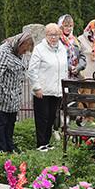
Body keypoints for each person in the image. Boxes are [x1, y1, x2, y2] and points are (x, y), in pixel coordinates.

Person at [0, 30, 35, 153]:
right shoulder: (3, 52)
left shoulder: (18, 53)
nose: (25, 52)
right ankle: (0, 151)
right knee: (0, 125)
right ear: (20, 44)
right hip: (1, 96)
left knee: (10, 124)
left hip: (13, 97)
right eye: (24, 50)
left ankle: (9, 147)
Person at [27, 23, 68, 151]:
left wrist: (64, 88)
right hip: (42, 91)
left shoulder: (62, 48)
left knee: (51, 117)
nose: (54, 37)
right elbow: (32, 70)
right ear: (46, 35)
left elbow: (64, 69)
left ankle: (47, 141)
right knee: (42, 118)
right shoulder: (39, 49)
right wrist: (36, 87)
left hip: (56, 90)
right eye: (51, 35)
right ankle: (40, 143)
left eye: (56, 34)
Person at [58, 14, 85, 79]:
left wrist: (78, 67)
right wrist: (69, 67)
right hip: (61, 75)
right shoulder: (57, 40)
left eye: (70, 26)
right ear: (61, 26)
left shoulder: (75, 40)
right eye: (66, 26)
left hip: (75, 76)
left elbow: (82, 56)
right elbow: (56, 58)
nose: (68, 28)